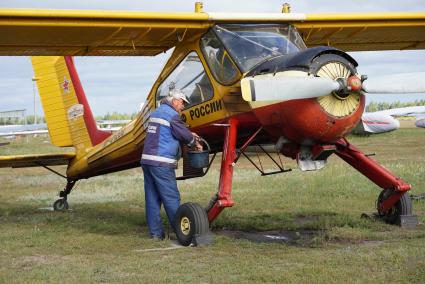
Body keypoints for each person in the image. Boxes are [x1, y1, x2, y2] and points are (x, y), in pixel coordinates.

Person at [141, 89, 202, 240]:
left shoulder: (157, 112)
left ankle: (156, 234)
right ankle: (183, 233)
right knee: (171, 197)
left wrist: (187, 133)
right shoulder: (172, 115)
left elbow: (169, 131)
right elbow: (183, 135)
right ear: (174, 101)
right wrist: (195, 143)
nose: (183, 107)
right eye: (182, 103)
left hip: (147, 161)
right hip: (162, 163)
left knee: (152, 198)